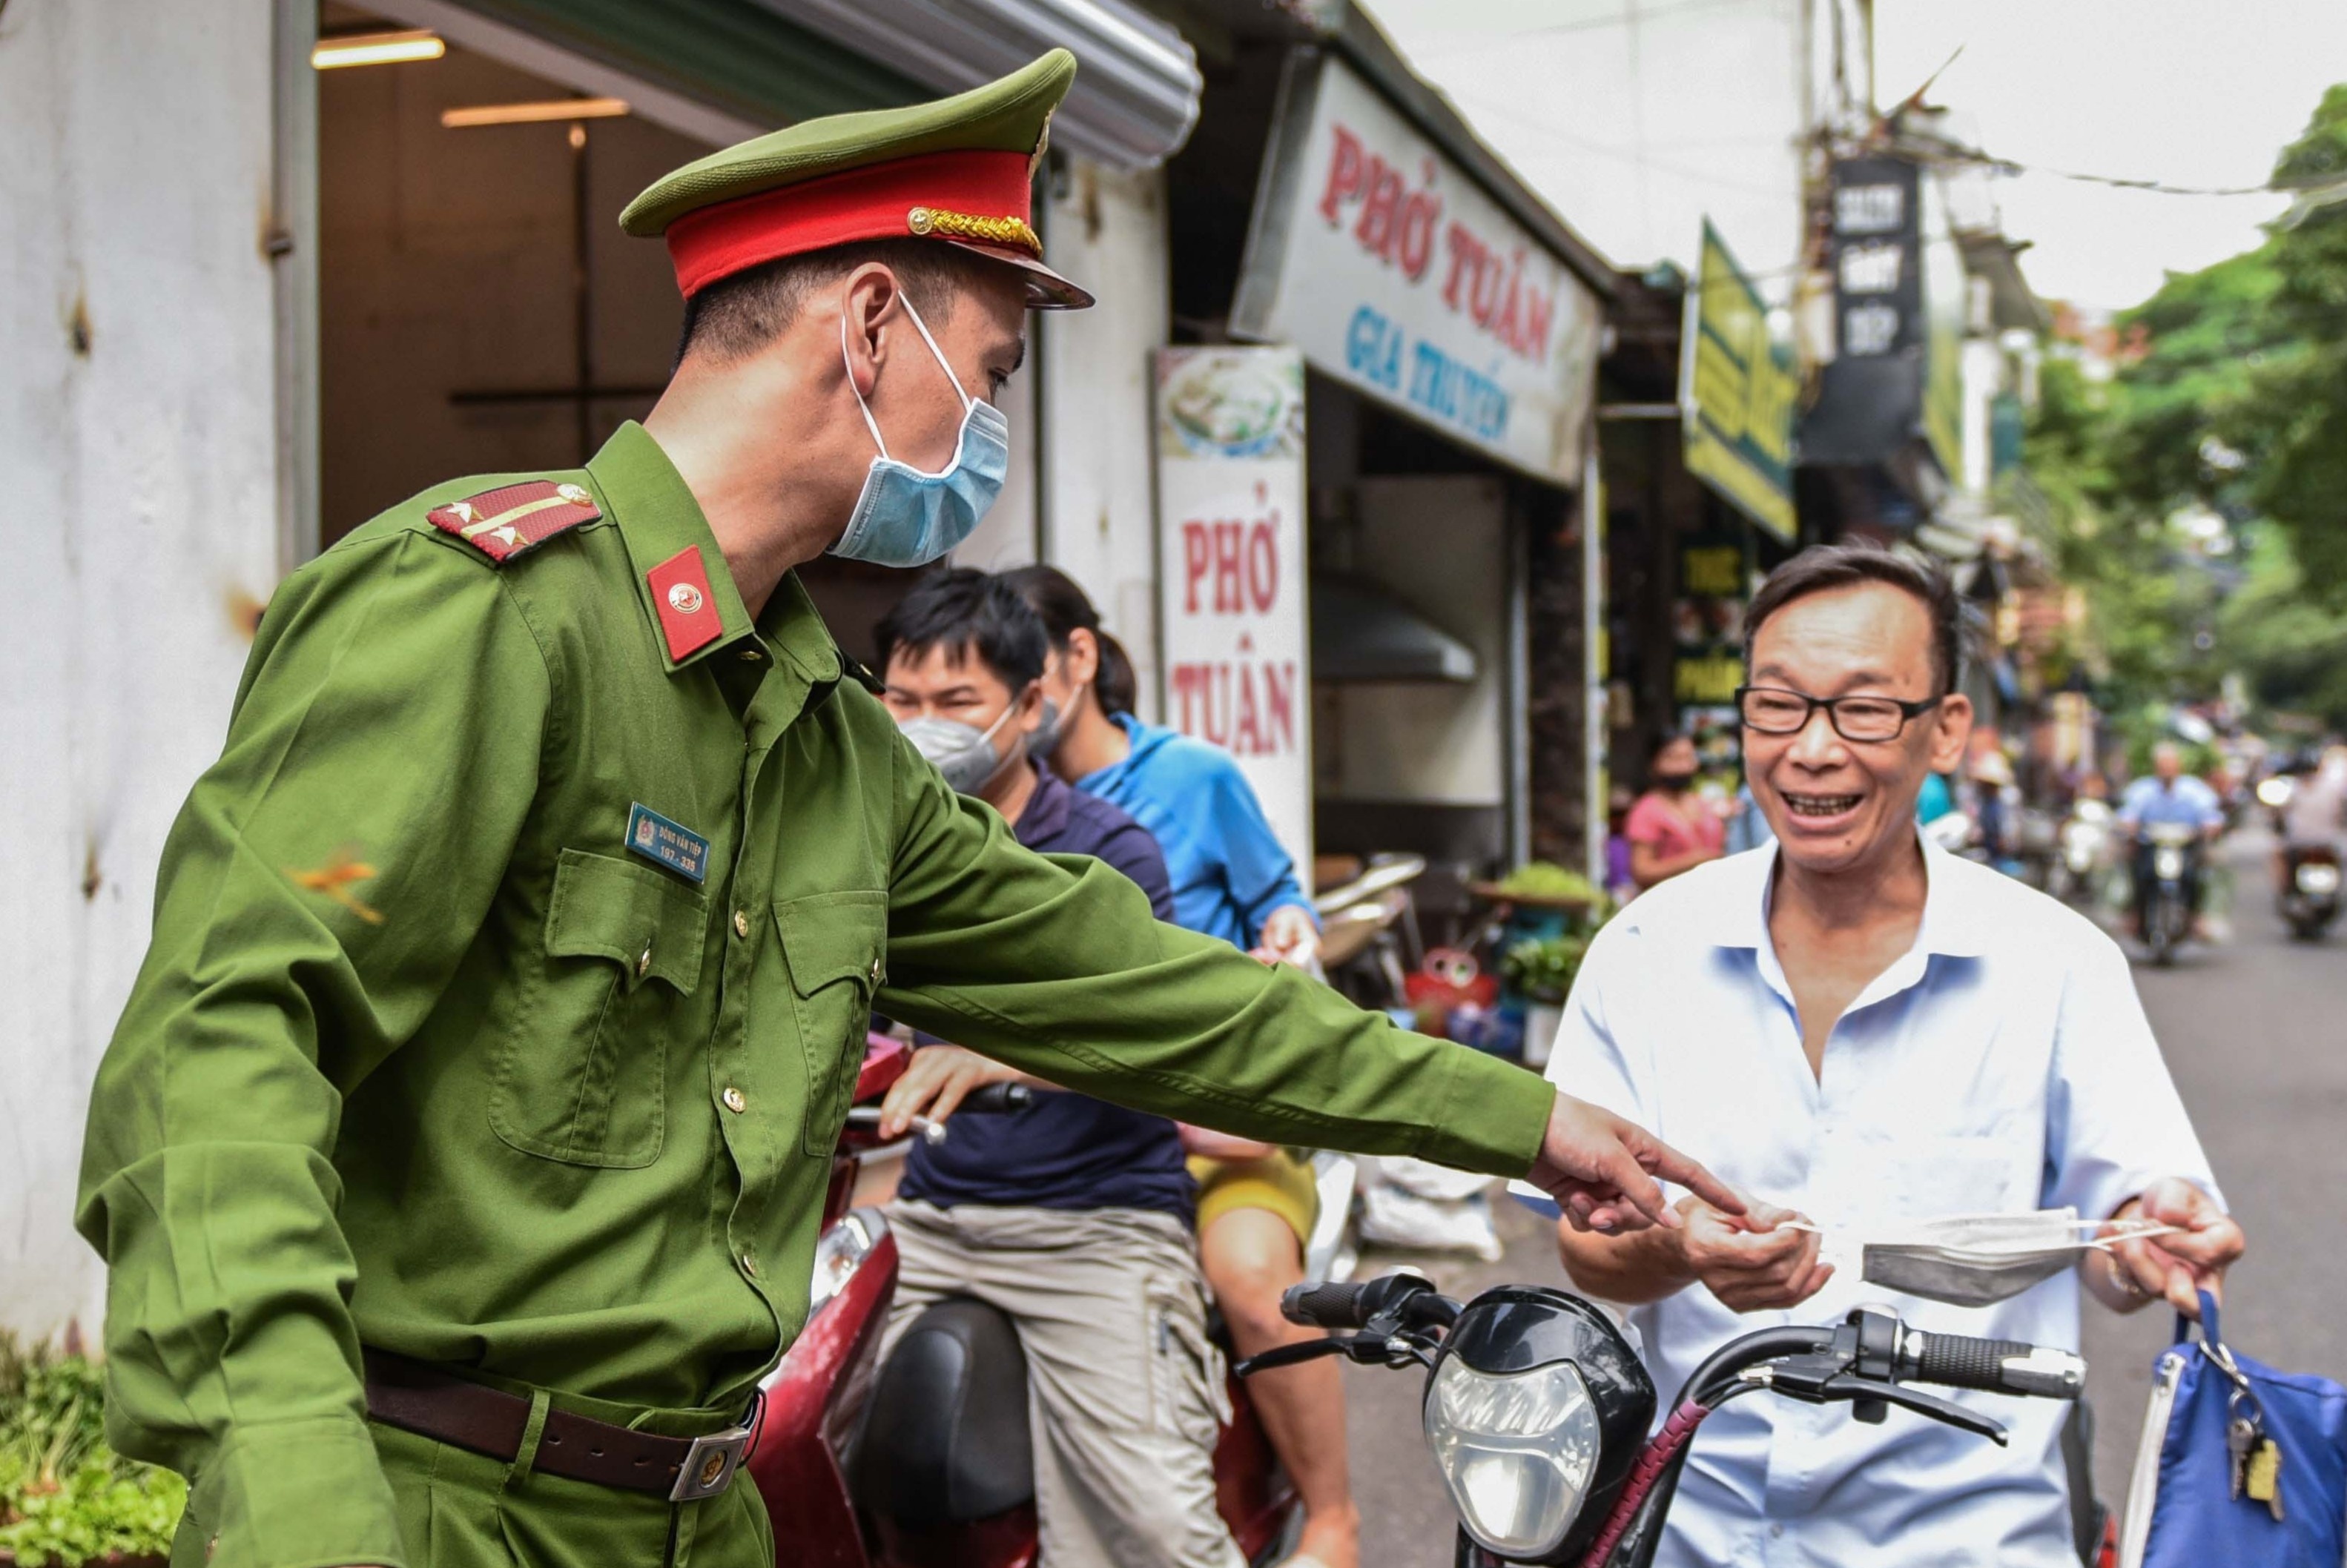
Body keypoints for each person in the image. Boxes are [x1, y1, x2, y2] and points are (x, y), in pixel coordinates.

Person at [72, 53, 1740, 1568]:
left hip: (701, 1511)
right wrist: (293, 1498)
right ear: (870, 326)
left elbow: (1149, 990)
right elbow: (219, 1052)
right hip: (431, 1510)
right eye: (992, 371)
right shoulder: (486, 616)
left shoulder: (829, 745)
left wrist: (1529, 1122)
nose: (991, 429)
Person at [1522, 543, 2242, 1568]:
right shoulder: (1644, 948)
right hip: (1692, 1528)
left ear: (1946, 728)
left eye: (1863, 709)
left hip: (1968, 1539)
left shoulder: (2057, 962)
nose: (1812, 750)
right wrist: (1683, 1249)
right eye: (1778, 706)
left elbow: (2121, 1240)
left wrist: (2152, 1236)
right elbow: (1587, 1247)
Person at [861, 570, 1235, 1568]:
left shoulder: (1108, 851)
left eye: (955, 701)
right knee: (783, 1431)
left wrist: (992, 1055)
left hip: (1096, 1226)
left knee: (1156, 1529)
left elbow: (1157, 1033)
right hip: (932, 1221)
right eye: (901, 699)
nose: (923, 726)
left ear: (1030, 705)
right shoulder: (871, 846)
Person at [1000, 563, 1356, 1568]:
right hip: (1063, 1125)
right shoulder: (992, 798)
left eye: (1020, 664)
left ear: (1076, 658)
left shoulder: (1192, 778)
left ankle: (1334, 1517)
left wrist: (1288, 932)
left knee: (1250, 1281)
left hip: (1210, 1121)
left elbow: (1282, 897)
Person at [2116, 741, 2225, 938]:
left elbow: (2210, 814)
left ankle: (2195, 916)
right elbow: (2128, 813)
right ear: (2156, 767)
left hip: (2184, 846)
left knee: (2196, 876)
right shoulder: (2142, 789)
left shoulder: (2194, 790)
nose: (2166, 770)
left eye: (2170, 765)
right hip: (2152, 845)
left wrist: (2210, 827)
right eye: (2162, 766)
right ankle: (2135, 915)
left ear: (2178, 766)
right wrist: (2129, 826)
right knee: (2139, 874)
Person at [1625, 732, 1725, 890]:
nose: (1682, 767)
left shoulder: (1702, 804)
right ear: (1654, 762)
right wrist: (1694, 861)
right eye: (1673, 758)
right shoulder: (1646, 811)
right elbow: (1641, 871)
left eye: (1688, 757)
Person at [2274, 741, 2347, 895]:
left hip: (2301, 841)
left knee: (2277, 854)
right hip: (2327, 840)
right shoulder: (2333, 786)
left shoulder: (2292, 787)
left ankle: (2284, 888)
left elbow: (2279, 812)